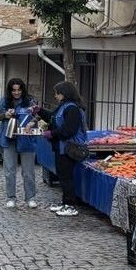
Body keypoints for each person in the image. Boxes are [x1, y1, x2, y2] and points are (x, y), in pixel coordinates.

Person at [34, 82, 88, 218]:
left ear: (64, 93)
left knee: (66, 177)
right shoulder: (64, 106)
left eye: (57, 93)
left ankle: (70, 205)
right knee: (62, 175)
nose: (55, 96)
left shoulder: (72, 108)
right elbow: (52, 118)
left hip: (69, 148)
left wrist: (52, 134)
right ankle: (65, 202)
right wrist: (39, 110)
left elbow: (69, 130)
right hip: (61, 147)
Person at [0, 78, 38, 209]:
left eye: (19, 90)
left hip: (26, 139)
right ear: (10, 90)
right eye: (14, 90)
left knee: (28, 171)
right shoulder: (4, 100)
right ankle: (11, 197)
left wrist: (32, 121)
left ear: (23, 90)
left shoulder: (30, 101)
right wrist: (5, 115)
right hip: (9, 138)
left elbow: (38, 115)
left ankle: (30, 197)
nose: (16, 92)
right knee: (9, 170)